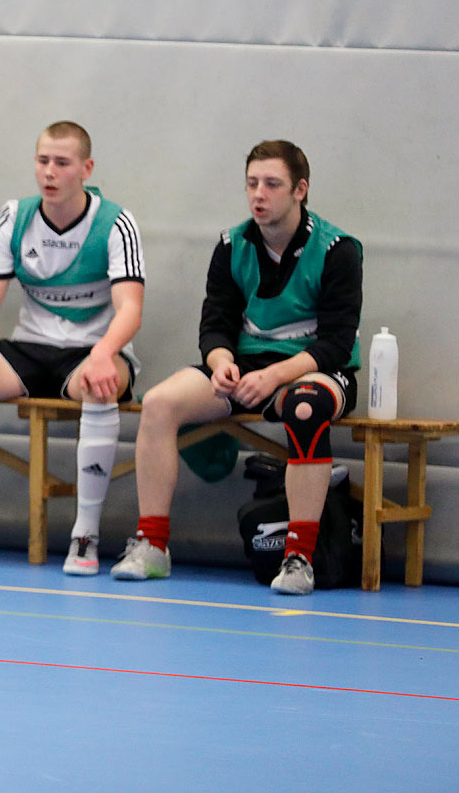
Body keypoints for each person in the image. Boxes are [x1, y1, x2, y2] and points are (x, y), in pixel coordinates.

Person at [111, 140, 362, 596]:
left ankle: (299, 557)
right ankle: (152, 546)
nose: (259, 194)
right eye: (252, 184)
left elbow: (337, 343)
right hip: (246, 366)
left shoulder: (339, 249)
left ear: (300, 190)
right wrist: (221, 362)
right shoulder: (231, 245)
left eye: (272, 184)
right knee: (160, 403)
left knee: (305, 410)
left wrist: (276, 376)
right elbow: (215, 325)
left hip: (315, 369)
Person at [0, 122, 145, 573]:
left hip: (92, 350)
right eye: (42, 160)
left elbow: (130, 309)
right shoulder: (15, 217)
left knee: (101, 385)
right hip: (31, 347)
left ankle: (85, 535)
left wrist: (104, 352)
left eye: (62, 163)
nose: (49, 172)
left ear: (85, 168)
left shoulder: (116, 223)